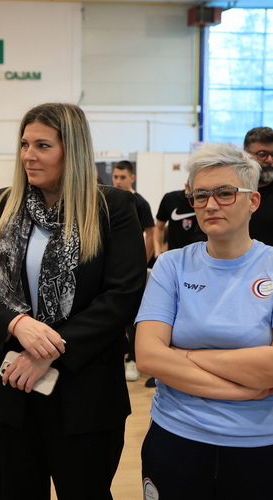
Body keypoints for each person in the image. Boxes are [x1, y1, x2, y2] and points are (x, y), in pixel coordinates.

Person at [0, 103, 147, 499]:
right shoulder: (2, 205)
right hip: (9, 388)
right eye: (24, 144)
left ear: (72, 150)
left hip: (85, 395)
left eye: (43, 145)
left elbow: (122, 296)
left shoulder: (113, 208)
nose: (29, 155)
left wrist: (50, 351)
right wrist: (16, 324)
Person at [135, 143, 273, 500]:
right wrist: (244, 389)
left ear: (253, 201)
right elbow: (148, 358)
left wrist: (184, 355)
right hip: (177, 437)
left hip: (261, 444)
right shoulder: (172, 265)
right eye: (200, 195)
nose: (210, 205)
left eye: (225, 193)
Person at [112, 160, 154, 382]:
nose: (118, 181)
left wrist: (140, 264)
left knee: (133, 316)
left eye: (122, 177)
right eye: (115, 177)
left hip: (132, 269)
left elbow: (152, 234)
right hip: (113, 267)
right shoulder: (108, 199)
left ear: (132, 178)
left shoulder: (140, 203)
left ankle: (132, 360)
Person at [154, 185, 206, 258]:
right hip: (174, 255)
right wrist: (157, 251)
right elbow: (158, 227)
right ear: (186, 186)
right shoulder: (170, 199)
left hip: (198, 255)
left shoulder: (205, 201)